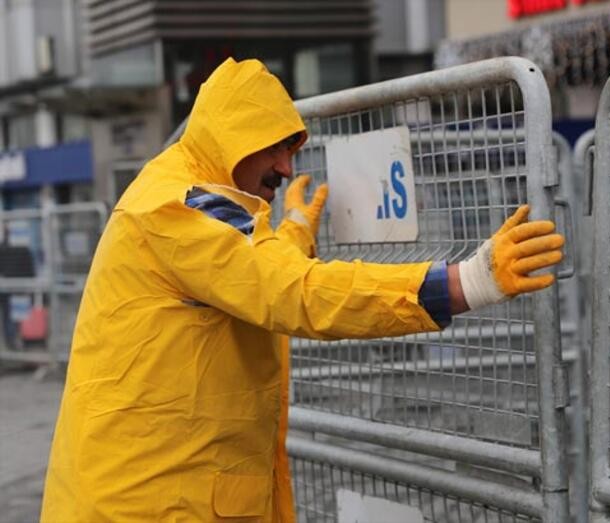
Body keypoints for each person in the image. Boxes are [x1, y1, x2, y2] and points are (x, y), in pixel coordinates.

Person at [41, 58, 564, 522]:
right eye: (274, 148)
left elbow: (246, 272)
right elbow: (292, 291)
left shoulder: (185, 198)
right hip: (152, 501)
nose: (286, 167)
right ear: (232, 137)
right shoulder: (177, 207)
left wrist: (292, 229)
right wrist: (466, 281)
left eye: (292, 149)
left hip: (158, 491)